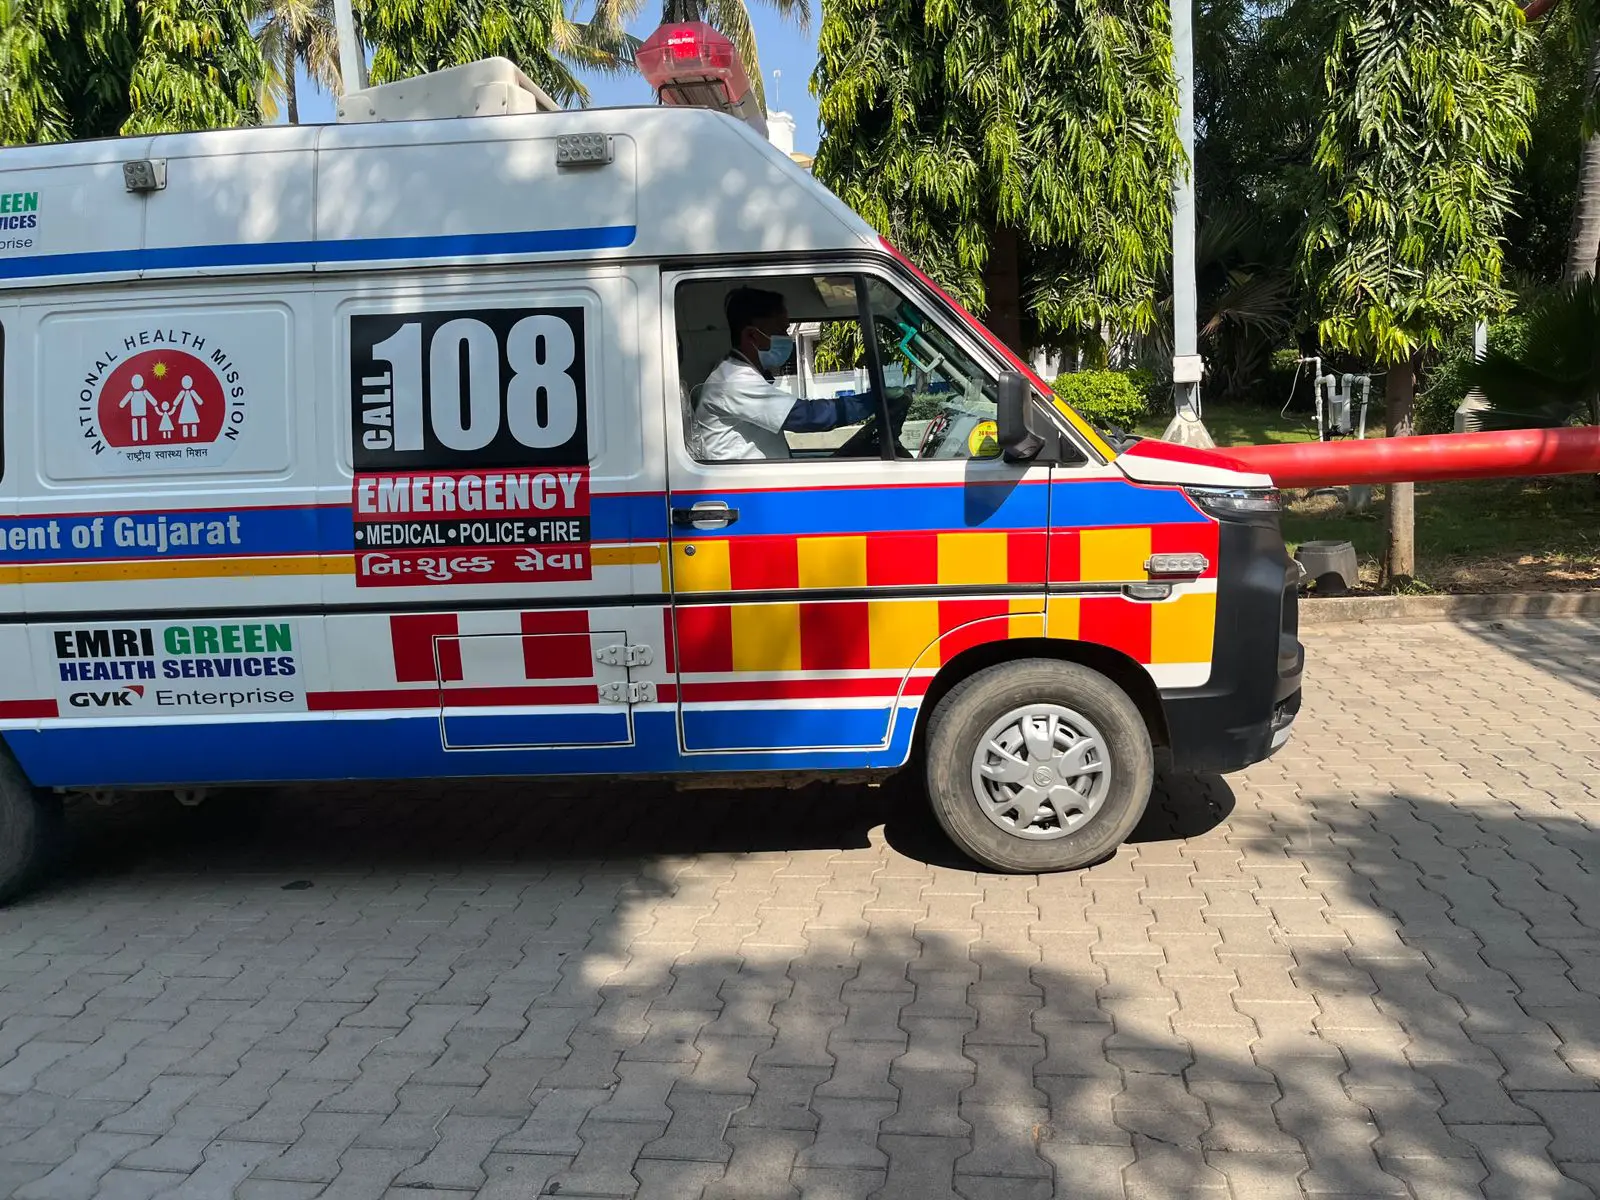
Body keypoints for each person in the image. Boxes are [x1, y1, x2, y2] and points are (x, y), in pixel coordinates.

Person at [690, 287, 899, 461]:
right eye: (781, 331)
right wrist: (873, 401)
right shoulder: (733, 381)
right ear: (752, 335)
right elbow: (807, 416)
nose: (786, 338)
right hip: (745, 492)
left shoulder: (740, 375)